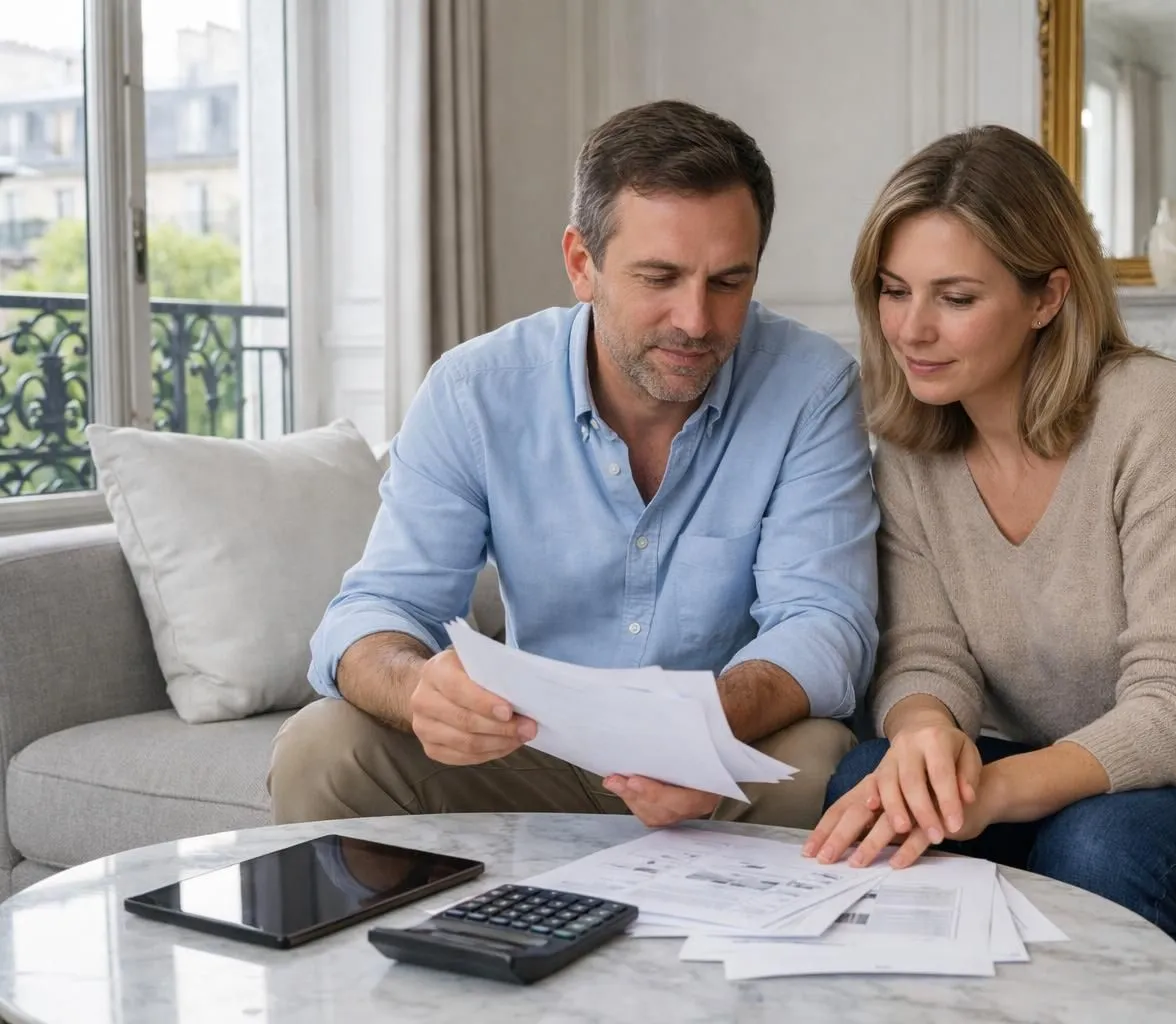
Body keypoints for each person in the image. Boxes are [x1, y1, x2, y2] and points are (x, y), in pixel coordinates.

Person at [805, 125, 1176, 948]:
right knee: (870, 778)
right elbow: (925, 655)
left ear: (1046, 298)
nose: (911, 330)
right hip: (1090, 781)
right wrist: (925, 738)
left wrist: (995, 792)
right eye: (894, 290)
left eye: (956, 298)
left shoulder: (1155, 415)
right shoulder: (912, 447)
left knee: (1099, 845)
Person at [268, 100, 879, 831]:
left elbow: (824, 622)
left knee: (819, 761)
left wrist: (696, 732)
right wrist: (416, 687)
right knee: (322, 748)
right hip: (529, 747)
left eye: (728, 282)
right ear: (582, 265)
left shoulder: (811, 386)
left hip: (719, 746)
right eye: (659, 277)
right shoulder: (474, 391)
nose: (696, 320)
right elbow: (376, 609)